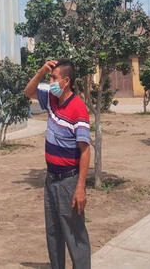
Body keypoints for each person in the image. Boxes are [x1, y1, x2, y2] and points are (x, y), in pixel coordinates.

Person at [24, 59, 92, 269]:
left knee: (74, 234)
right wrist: (42, 71)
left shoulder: (78, 109)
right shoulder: (51, 99)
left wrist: (80, 187)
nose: (51, 81)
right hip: (51, 179)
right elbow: (29, 92)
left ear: (66, 81)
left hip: (68, 181)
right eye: (50, 77)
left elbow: (85, 150)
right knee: (53, 232)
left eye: (54, 78)